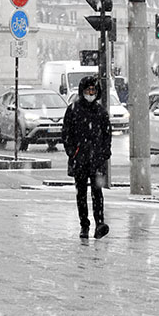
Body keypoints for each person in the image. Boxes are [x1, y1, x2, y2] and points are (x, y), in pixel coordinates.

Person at [61, 74, 112, 239]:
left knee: (97, 192)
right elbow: (66, 133)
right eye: (88, 89)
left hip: (96, 160)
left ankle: (99, 223)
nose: (91, 92)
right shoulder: (73, 109)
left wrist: (105, 152)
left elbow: (107, 134)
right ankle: (84, 225)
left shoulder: (101, 112)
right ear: (82, 91)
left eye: (93, 90)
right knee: (81, 193)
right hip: (80, 159)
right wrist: (72, 151)